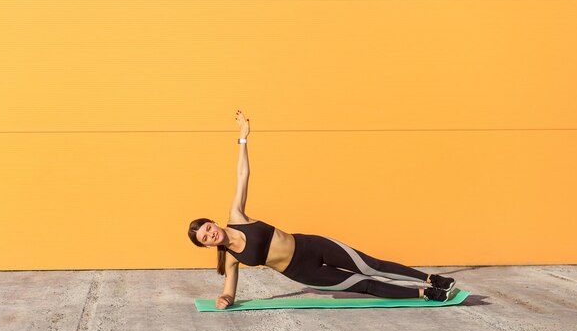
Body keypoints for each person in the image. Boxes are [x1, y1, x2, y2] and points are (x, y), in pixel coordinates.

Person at [188, 109, 456, 309]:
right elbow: (229, 293)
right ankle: (425, 294)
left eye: (208, 228)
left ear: (213, 222)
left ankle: (434, 279)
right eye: (205, 238)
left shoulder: (237, 217)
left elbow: (242, 175)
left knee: (370, 265)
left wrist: (243, 139)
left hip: (311, 245)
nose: (210, 234)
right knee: (365, 285)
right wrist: (224, 299)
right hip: (304, 271)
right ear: (208, 246)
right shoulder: (232, 258)